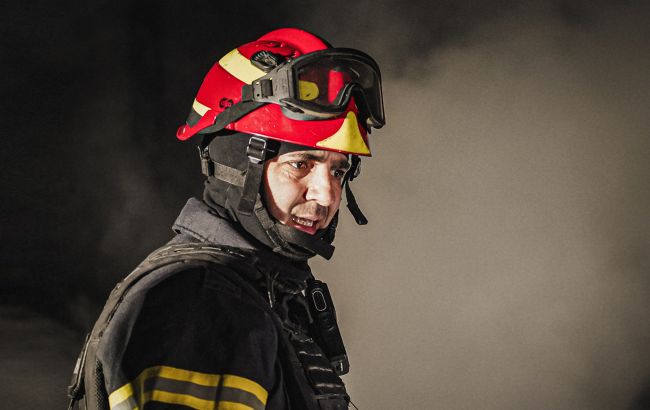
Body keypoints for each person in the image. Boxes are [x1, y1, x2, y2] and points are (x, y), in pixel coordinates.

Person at [68, 28, 385, 410]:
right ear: (235, 165)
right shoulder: (198, 304)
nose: (327, 195)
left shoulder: (254, 293)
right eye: (300, 164)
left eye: (338, 171)